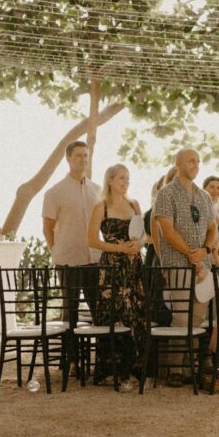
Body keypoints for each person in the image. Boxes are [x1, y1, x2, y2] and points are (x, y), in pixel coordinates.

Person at [86, 164, 146, 384]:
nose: (125, 182)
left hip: (134, 265)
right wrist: (119, 248)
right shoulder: (100, 207)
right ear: (110, 180)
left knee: (136, 313)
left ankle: (134, 369)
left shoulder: (134, 204)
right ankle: (113, 370)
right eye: (121, 178)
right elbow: (92, 240)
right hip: (112, 268)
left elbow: (145, 235)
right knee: (115, 314)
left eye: (128, 178)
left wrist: (138, 245)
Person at [153, 149, 219, 331]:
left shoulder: (204, 196)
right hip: (178, 265)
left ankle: (192, 360)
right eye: (191, 161)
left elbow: (213, 228)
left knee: (197, 320)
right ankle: (173, 361)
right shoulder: (166, 194)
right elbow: (167, 231)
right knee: (182, 322)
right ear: (178, 164)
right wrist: (191, 254)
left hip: (203, 266)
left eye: (198, 161)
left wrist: (204, 251)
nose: (196, 165)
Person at [42, 140, 100, 322]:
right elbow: (47, 229)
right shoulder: (54, 192)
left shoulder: (97, 190)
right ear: (68, 158)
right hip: (67, 260)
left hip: (94, 260)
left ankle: (101, 351)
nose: (83, 159)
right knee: (70, 314)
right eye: (78, 156)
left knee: (99, 311)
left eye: (86, 155)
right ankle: (70, 351)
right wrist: (56, 252)